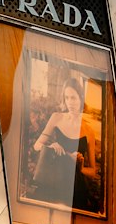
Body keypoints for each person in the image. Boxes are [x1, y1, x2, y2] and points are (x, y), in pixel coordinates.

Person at [31, 74, 97, 211]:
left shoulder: (89, 131)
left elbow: (93, 172)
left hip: (75, 189)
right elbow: (37, 146)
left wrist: (81, 166)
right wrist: (51, 145)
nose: (70, 102)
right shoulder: (57, 117)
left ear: (81, 98)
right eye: (67, 98)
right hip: (52, 182)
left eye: (73, 98)